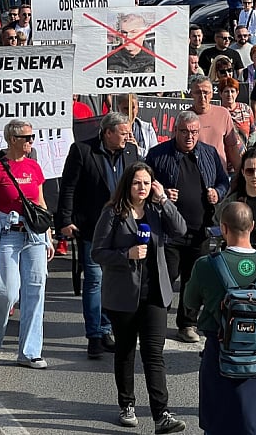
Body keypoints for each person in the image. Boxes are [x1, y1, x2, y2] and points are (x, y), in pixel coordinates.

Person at [92, 162, 188, 433]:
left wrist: (164, 199)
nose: (142, 188)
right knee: (125, 351)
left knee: (154, 355)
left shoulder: (157, 210)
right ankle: (127, 404)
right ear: (127, 185)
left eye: (146, 183)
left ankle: (161, 414)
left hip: (155, 294)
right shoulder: (113, 213)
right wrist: (126, 255)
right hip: (123, 296)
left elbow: (180, 230)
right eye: (137, 183)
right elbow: (97, 252)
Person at [184, 202, 256, 435]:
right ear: (252, 227)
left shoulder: (205, 265)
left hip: (219, 356)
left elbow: (190, 302)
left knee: (220, 426)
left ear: (223, 228)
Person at [57, 112, 140, 358]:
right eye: (123, 133)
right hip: (92, 228)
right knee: (94, 281)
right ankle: (94, 335)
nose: (127, 137)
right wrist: (64, 221)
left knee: (113, 282)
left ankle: (106, 329)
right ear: (108, 132)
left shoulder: (131, 152)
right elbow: (68, 187)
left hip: (123, 229)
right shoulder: (82, 151)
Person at [146, 110, 230, 343]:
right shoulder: (158, 154)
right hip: (168, 231)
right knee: (165, 278)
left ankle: (187, 324)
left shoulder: (209, 153)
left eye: (194, 132)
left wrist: (218, 193)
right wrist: (160, 193)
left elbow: (223, 181)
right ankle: (155, 323)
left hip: (200, 230)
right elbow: (143, 183)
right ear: (175, 131)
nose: (189, 136)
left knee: (193, 280)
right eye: (184, 131)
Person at [0, 119, 54, 369]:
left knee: (35, 291)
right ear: (13, 140)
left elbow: (41, 203)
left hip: (34, 235)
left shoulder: (34, 167)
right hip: (8, 235)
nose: (32, 141)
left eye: (32, 137)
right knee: (8, 292)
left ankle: (30, 352)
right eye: (27, 137)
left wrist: (48, 237)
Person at [219, 77, 255, 148]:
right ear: (220, 93)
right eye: (226, 91)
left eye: (232, 91)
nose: (229, 95)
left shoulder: (246, 109)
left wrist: (249, 150)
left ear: (237, 93)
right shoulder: (218, 112)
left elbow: (253, 131)